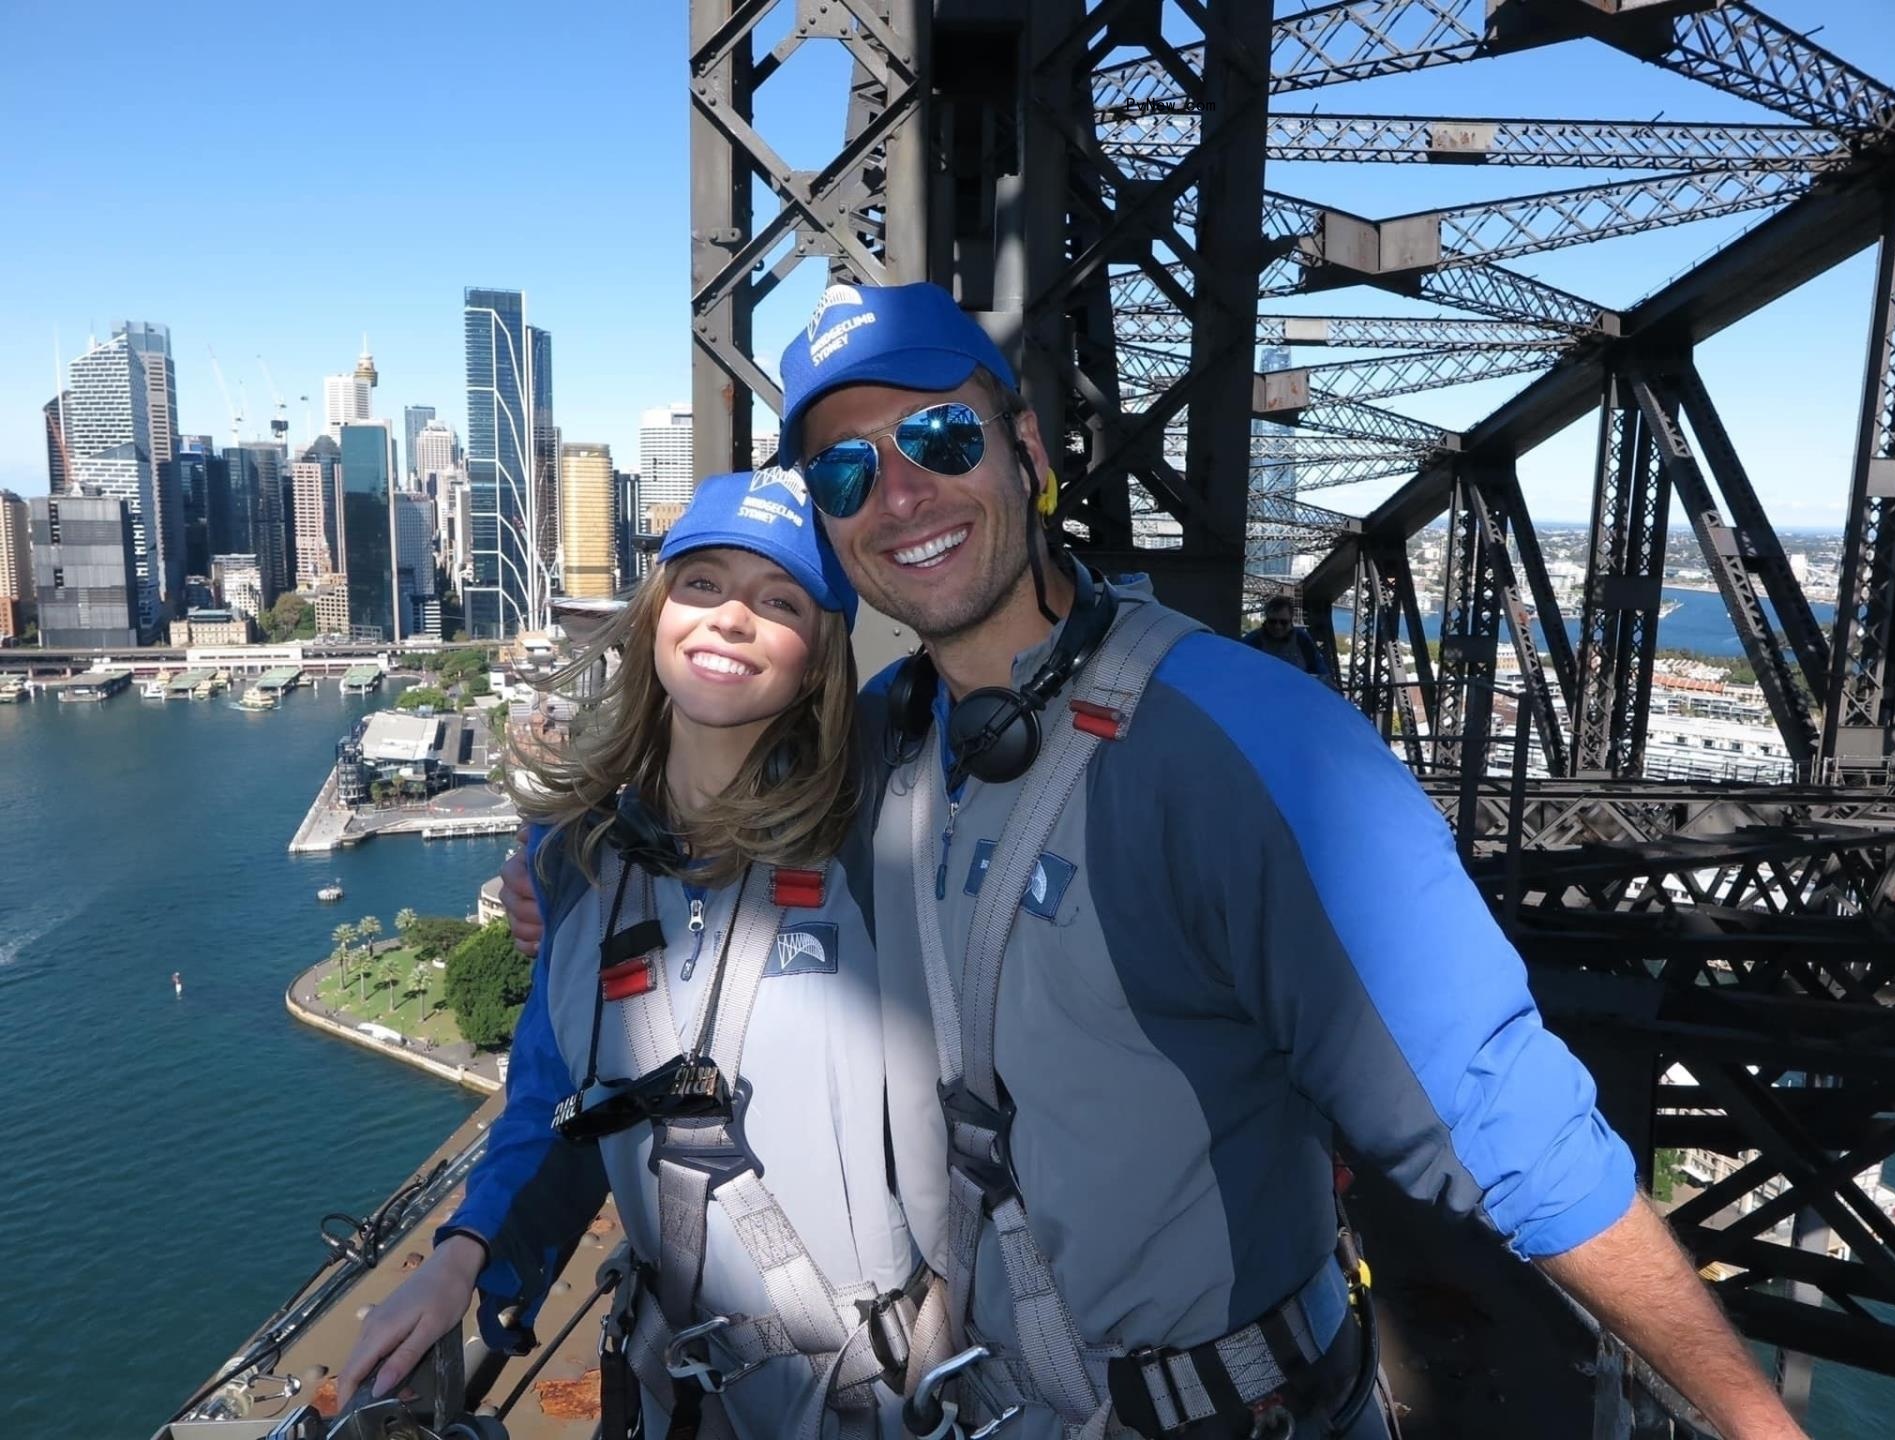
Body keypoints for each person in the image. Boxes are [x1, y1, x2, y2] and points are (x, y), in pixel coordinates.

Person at [500, 282, 1807, 1440]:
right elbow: (691, 833)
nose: (897, 495)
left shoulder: (1249, 744)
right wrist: (550, 868)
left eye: (942, 441)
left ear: (1026, 451)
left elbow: (1504, 1116)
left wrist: (1749, 1421)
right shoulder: (883, 756)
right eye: (844, 474)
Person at [338, 470, 940, 1440]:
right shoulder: (574, 862)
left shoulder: (881, 829)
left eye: (779, 599)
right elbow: (553, 1098)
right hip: (677, 1396)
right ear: (655, 613)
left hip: (882, 1397)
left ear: (822, 656)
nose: (731, 618)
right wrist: (461, 1256)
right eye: (701, 584)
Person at [1244, 593, 1330, 682]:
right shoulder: (1253, 641)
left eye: (1283, 622)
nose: (1278, 627)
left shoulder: (1301, 640)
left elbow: (1322, 673)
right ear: (1266, 620)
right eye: (1272, 622)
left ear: (1291, 621)